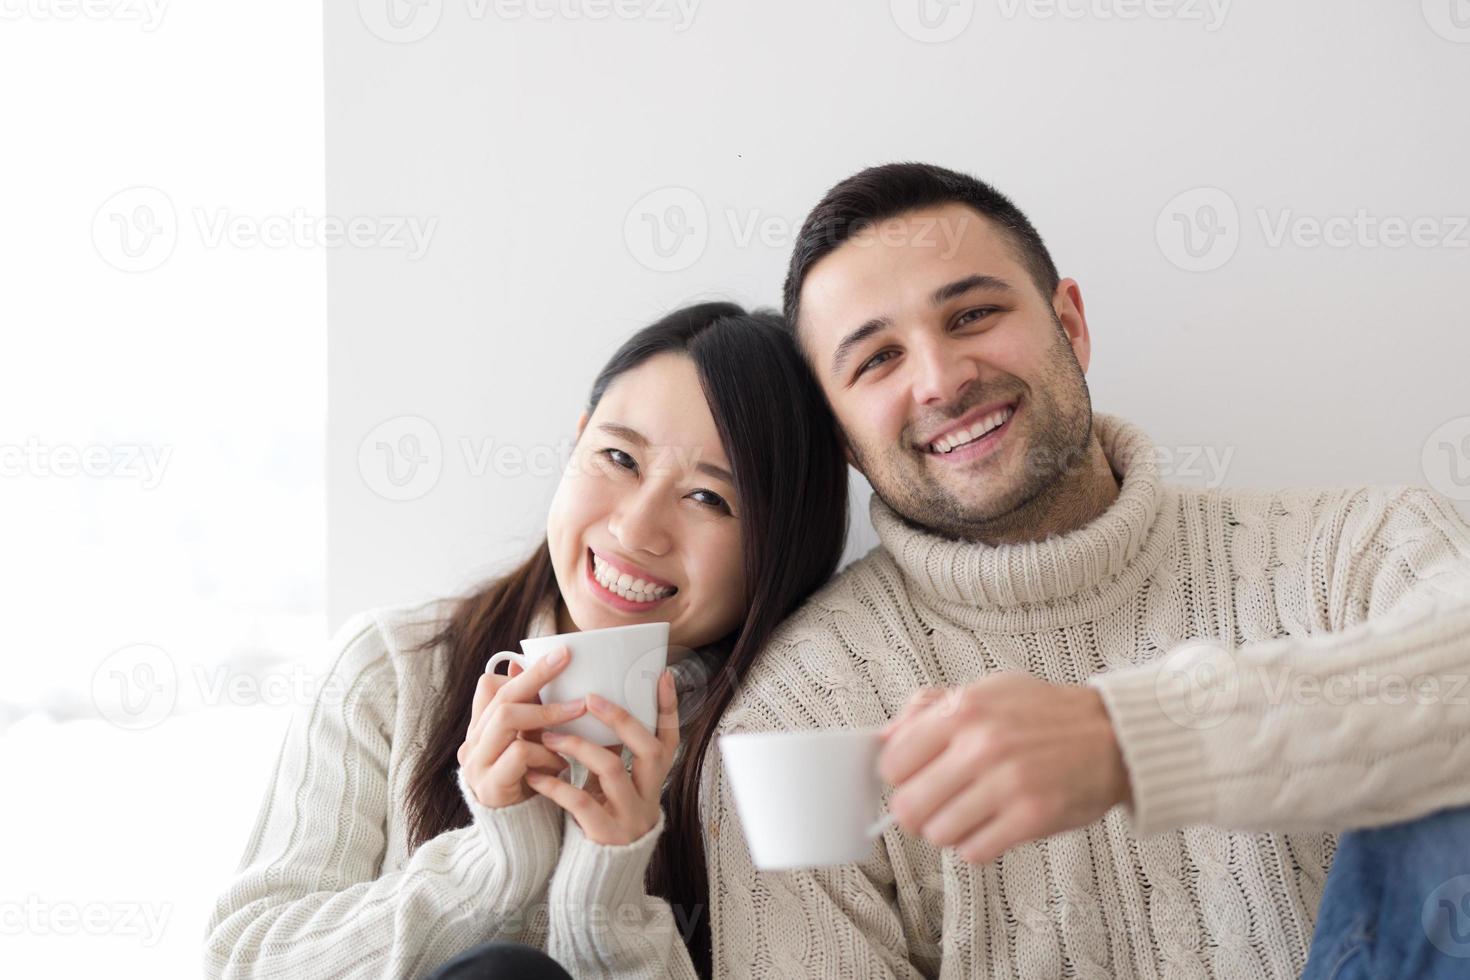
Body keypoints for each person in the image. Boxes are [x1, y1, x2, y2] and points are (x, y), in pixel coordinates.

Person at [692, 163, 1470, 978]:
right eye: (877, 360)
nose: (942, 378)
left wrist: (1129, 740)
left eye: (973, 313)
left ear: (1071, 322)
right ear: (844, 438)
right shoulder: (798, 714)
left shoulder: (1358, 551)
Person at [202, 302, 849, 979]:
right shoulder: (391, 672)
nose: (636, 528)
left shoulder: (776, 749)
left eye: (710, 499)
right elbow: (244, 959)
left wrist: (607, 888)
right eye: (619, 457)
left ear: (780, 548)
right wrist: (491, 863)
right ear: (575, 444)